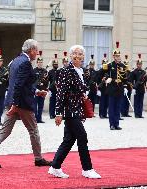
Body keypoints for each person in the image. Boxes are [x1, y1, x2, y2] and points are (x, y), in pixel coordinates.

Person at [0, 39, 51, 168]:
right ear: (31, 50)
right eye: (36, 50)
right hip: (21, 103)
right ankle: (38, 158)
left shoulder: (15, 60)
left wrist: (36, 91)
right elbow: (19, 85)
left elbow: (20, 84)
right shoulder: (25, 63)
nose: (37, 53)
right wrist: (15, 104)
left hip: (13, 101)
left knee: (4, 131)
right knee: (33, 130)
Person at [48, 45, 101, 179]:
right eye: (75, 53)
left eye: (80, 54)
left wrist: (84, 93)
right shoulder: (66, 71)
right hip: (69, 110)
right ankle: (87, 169)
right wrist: (58, 113)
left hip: (77, 109)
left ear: (83, 57)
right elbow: (61, 93)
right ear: (71, 56)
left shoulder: (82, 71)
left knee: (69, 140)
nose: (77, 55)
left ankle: (55, 166)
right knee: (82, 137)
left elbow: (82, 88)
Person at [103, 42, 128, 130]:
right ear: (113, 57)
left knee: (118, 107)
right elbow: (105, 73)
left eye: (119, 56)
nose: (118, 57)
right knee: (112, 108)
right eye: (116, 56)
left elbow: (125, 77)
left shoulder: (122, 66)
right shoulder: (110, 65)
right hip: (112, 89)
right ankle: (112, 124)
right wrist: (107, 78)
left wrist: (125, 86)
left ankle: (116, 124)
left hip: (119, 89)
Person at [33, 50, 48, 123]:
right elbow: (32, 81)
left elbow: (47, 81)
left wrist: (45, 89)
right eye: (39, 62)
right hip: (36, 91)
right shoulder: (34, 70)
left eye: (41, 62)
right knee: (35, 105)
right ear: (37, 63)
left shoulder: (44, 71)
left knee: (41, 105)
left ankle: (39, 118)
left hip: (42, 90)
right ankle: (35, 119)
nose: (40, 64)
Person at [130, 54, 146, 118]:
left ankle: (140, 114)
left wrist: (144, 84)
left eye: (140, 64)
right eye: (138, 64)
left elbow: (145, 80)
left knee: (141, 102)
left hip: (142, 88)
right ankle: (136, 114)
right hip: (136, 88)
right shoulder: (134, 72)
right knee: (136, 102)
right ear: (137, 64)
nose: (139, 65)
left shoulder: (143, 72)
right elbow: (131, 80)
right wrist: (133, 88)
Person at [96, 54, 109, 119]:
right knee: (102, 102)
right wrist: (98, 89)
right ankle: (101, 114)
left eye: (106, 63)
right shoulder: (100, 71)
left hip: (107, 88)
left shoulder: (108, 71)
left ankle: (105, 114)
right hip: (102, 88)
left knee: (106, 102)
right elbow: (97, 81)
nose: (105, 64)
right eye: (104, 63)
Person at [48, 54, 59, 119]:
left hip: (58, 89)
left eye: (56, 64)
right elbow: (48, 81)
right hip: (52, 89)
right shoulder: (50, 72)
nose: (56, 65)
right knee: (52, 102)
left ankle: (56, 114)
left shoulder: (59, 71)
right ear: (53, 65)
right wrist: (48, 89)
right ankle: (51, 114)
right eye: (54, 64)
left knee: (57, 103)